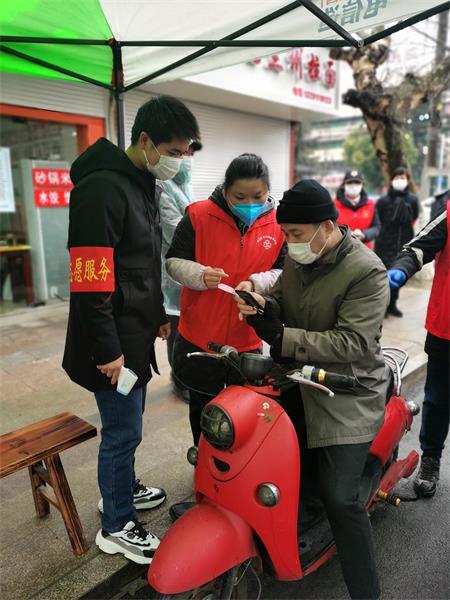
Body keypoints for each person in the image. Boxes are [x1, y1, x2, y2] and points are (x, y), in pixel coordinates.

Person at [236, 179, 389, 600]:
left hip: (349, 390)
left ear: (325, 227)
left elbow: (354, 344)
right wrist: (262, 308)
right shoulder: (300, 259)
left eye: (296, 235)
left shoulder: (367, 271)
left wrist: (281, 336)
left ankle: (367, 591)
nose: (290, 243)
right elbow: (284, 302)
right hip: (302, 376)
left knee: (341, 499)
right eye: (286, 234)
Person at [62, 95, 200, 563]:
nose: (180, 161)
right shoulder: (102, 189)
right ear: (145, 141)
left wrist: (160, 311)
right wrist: (107, 350)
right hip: (111, 341)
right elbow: (89, 280)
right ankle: (116, 524)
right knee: (121, 432)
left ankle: (119, 488)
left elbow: (141, 264)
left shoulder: (142, 183)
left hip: (134, 330)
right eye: (175, 151)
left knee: (129, 429)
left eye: (186, 153)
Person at [166, 153, 286, 447]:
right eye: (239, 196)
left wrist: (258, 283)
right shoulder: (197, 215)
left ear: (268, 191)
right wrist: (199, 274)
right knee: (203, 409)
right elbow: (172, 262)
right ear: (225, 190)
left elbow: (283, 271)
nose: (248, 204)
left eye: (257, 196)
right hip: (200, 338)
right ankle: (204, 464)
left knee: (244, 410)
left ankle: (237, 475)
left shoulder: (279, 224)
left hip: (248, 337)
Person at [387, 191, 449, 498]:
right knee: (437, 400)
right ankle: (431, 459)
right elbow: (416, 249)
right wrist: (401, 268)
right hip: (446, 329)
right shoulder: (448, 215)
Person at [157, 140, 203, 403]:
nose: (188, 158)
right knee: (175, 330)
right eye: (184, 153)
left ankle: (186, 374)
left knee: (188, 329)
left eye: (191, 153)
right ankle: (179, 379)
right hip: (171, 275)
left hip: (188, 271)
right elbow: (177, 230)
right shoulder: (163, 187)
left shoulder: (185, 185)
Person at [374, 167, 419, 317]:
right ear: (392, 179)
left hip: (403, 243)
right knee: (383, 277)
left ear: (407, 180)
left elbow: (414, 217)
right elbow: (378, 220)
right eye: (397, 177)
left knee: (398, 277)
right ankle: (383, 307)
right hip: (384, 244)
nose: (400, 180)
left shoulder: (412, 200)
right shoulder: (383, 201)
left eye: (403, 177)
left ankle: (393, 305)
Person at [334, 170, 380, 248]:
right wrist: (346, 235)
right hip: (340, 251)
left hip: (365, 251)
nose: (353, 186)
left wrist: (364, 234)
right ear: (343, 185)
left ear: (362, 185)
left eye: (357, 183)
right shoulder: (334, 205)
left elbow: (376, 227)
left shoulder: (370, 204)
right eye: (350, 183)